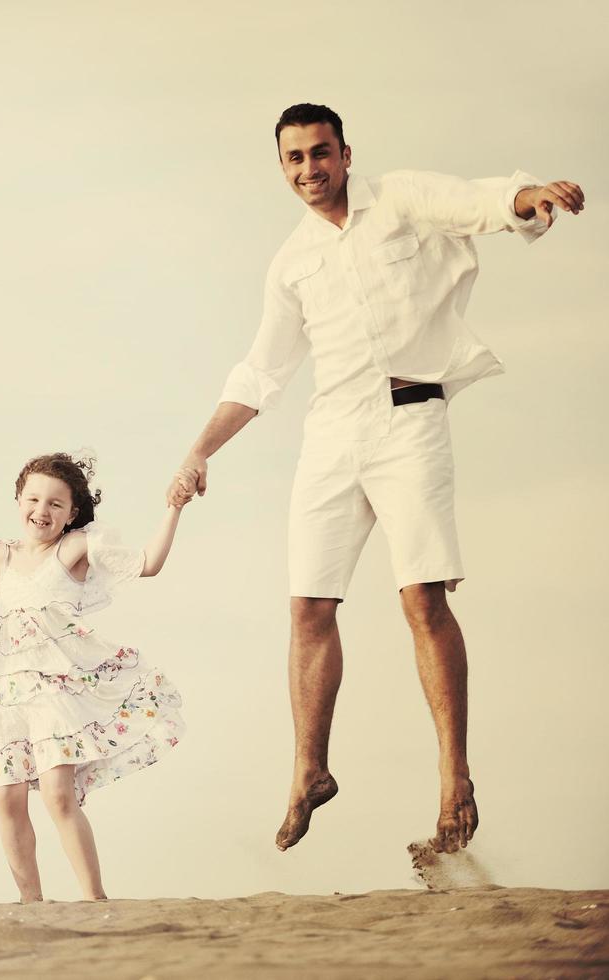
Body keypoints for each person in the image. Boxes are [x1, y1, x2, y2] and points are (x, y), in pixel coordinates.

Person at [169, 103, 586, 853]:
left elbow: (477, 202)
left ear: (345, 152)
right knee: (307, 607)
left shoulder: (399, 199)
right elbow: (262, 371)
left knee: (421, 599)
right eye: (294, 158)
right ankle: (309, 768)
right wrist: (201, 449)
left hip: (410, 421)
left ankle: (454, 774)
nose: (309, 169)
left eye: (320, 153)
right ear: (283, 167)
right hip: (333, 432)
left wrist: (528, 199)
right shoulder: (290, 262)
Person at [0, 453, 186, 903]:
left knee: (58, 795)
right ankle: (30, 903)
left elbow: (148, 563)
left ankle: (94, 898)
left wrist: (174, 507)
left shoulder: (74, 548)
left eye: (56, 504)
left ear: (72, 513)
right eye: (33, 499)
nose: (42, 510)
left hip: (56, 691)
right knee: (7, 798)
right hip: (7, 697)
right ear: (18, 500)